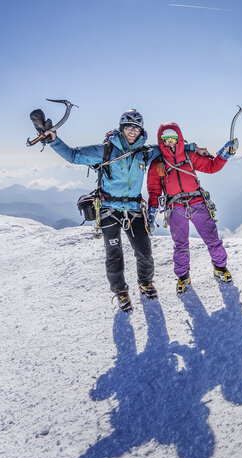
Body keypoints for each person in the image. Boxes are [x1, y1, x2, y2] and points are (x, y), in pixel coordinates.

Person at [44, 109, 160, 313]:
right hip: (109, 210)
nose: (132, 130)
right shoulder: (105, 150)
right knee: (114, 254)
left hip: (133, 209)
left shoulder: (145, 152)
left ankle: (146, 283)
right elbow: (74, 155)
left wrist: (193, 148)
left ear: (141, 130)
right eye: (128, 127)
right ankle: (121, 292)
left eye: (136, 127)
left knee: (144, 251)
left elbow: (171, 149)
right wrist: (54, 140)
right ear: (122, 128)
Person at [146, 122, 237, 295]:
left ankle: (220, 267)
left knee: (212, 238)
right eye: (166, 140)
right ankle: (183, 276)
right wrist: (152, 211)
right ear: (161, 142)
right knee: (180, 244)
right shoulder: (158, 164)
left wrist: (223, 155)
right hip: (176, 207)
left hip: (196, 202)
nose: (170, 143)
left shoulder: (189, 156)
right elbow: (154, 190)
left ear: (179, 138)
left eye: (173, 139)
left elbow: (211, 166)